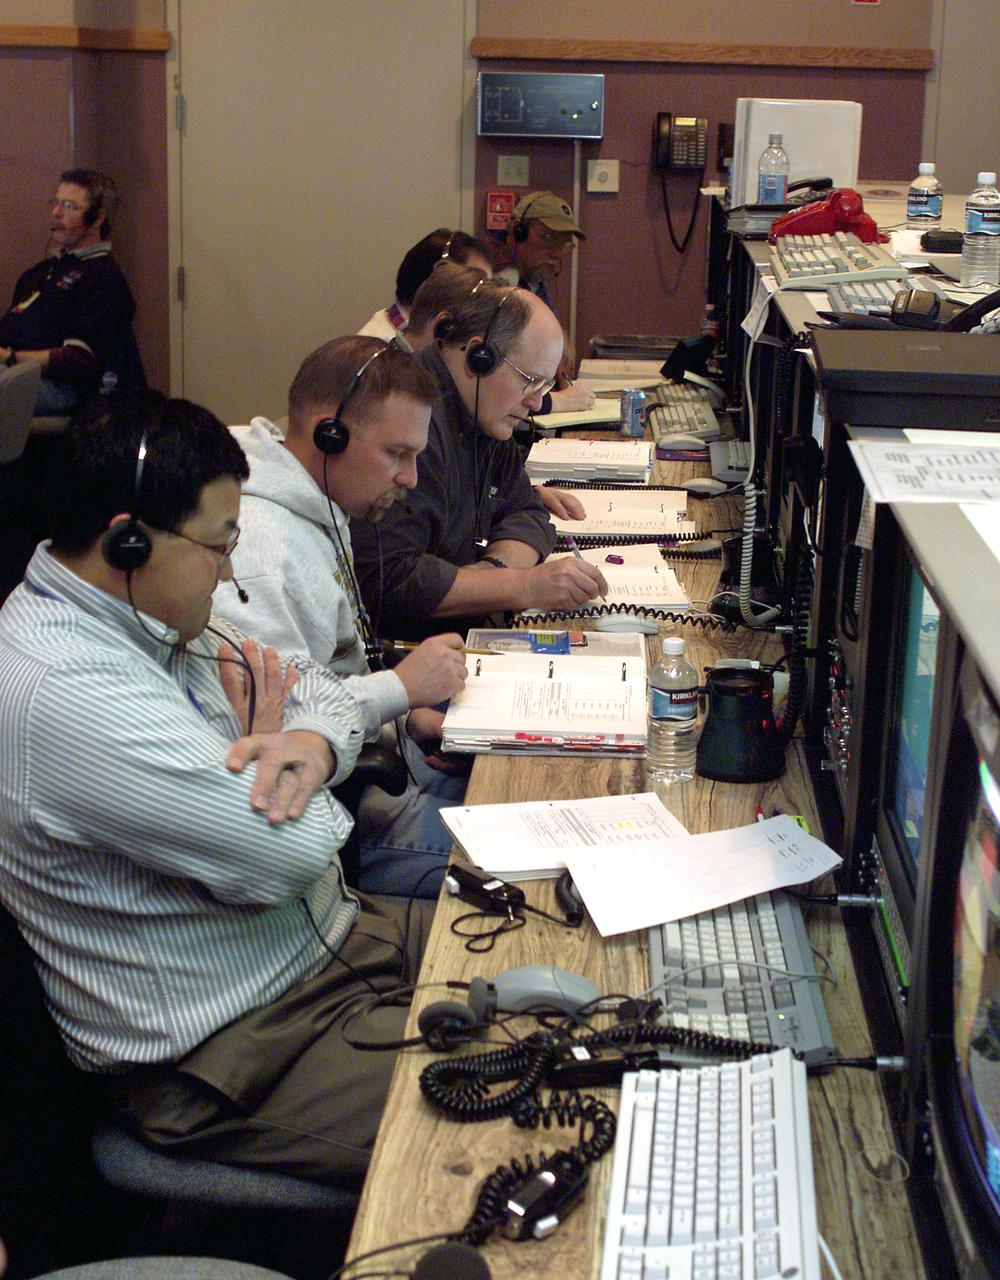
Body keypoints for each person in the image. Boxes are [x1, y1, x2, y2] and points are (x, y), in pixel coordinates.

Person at [0, 389, 434, 1187]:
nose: (232, 569)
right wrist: (271, 745)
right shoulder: (65, 688)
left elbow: (325, 689)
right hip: (235, 1050)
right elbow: (295, 849)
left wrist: (301, 740)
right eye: (219, 542)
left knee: (558, 974)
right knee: (523, 1104)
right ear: (127, 543)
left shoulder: (157, 614)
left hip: (326, 946)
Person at [214, 336, 469, 897]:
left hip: (378, 764)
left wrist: (404, 719)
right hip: (334, 825)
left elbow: (331, 675)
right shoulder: (261, 551)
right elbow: (281, 732)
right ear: (330, 434)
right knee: (535, 861)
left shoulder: (320, 504)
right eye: (397, 454)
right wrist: (400, 690)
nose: (411, 479)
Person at [351, 280, 608, 640]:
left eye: (544, 386)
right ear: (479, 356)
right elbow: (392, 581)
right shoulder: (408, 420)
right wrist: (520, 586)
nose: (536, 402)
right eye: (529, 381)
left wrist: (491, 576)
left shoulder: (484, 411)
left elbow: (527, 512)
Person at [0, 169, 144, 414]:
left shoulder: (102, 276)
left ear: (97, 218)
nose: (56, 212)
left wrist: (12, 358)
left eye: (68, 206)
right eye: (55, 203)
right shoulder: (37, 274)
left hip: (59, 387)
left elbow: (80, 362)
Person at [358, 227, 493, 350]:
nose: (484, 302)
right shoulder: (374, 356)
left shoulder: (431, 345)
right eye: (476, 289)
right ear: (437, 285)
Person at [494, 190, 585, 311]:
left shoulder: (535, 282)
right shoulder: (492, 284)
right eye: (548, 238)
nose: (558, 253)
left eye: (565, 244)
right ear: (518, 232)